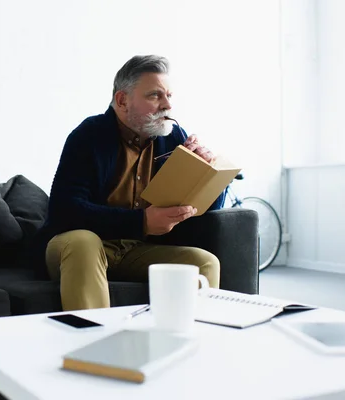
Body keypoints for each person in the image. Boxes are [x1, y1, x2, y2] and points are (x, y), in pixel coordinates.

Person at [36, 55, 226, 311]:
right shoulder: (88, 135)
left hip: (135, 249)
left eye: (169, 95)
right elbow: (65, 210)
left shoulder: (173, 137)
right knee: (84, 242)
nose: (167, 105)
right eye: (155, 96)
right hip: (74, 247)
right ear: (123, 100)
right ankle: (93, 346)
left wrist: (205, 171)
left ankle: (183, 343)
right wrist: (143, 222)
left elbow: (208, 208)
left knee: (204, 263)